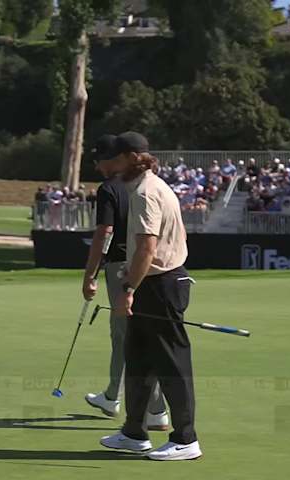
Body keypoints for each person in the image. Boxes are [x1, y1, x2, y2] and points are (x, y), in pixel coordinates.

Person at [98, 131, 201, 461]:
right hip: (154, 282)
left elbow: (147, 248)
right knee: (138, 358)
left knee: (172, 363)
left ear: (130, 158)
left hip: (160, 284)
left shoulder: (145, 192)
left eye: (113, 157)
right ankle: (133, 433)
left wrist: (128, 289)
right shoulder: (144, 186)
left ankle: (186, 439)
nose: (108, 164)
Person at [82, 135, 168, 431]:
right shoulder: (145, 182)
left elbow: (104, 232)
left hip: (122, 268)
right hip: (145, 267)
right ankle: (139, 405)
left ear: (113, 159)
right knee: (133, 337)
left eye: (99, 161)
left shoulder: (110, 188)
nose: (97, 167)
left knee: (127, 338)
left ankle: (138, 406)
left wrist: (90, 274)